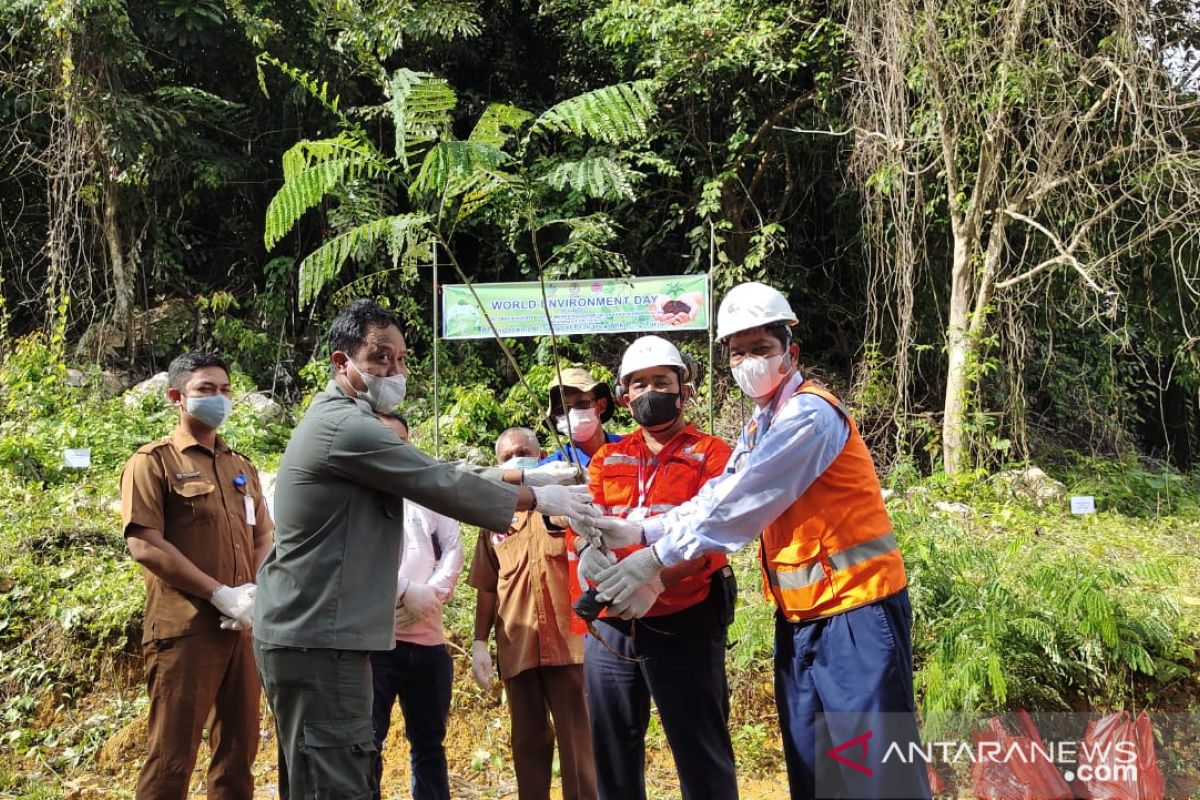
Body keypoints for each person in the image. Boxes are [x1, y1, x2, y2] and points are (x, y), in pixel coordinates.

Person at [577, 282, 930, 800]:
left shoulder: (809, 416)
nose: (749, 361)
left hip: (857, 611)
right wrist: (642, 531)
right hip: (802, 616)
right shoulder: (762, 424)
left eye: (761, 349)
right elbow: (719, 494)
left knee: (878, 776)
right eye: (737, 352)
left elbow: (746, 502)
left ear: (791, 351)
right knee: (814, 770)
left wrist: (652, 559)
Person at [254, 299, 595, 799]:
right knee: (335, 781)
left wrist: (526, 475)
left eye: (401, 358)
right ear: (340, 362)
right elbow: (435, 481)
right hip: (318, 639)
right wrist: (537, 495)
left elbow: (435, 472)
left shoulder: (351, 422)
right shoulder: (344, 427)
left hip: (324, 635)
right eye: (379, 358)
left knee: (326, 775)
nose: (394, 370)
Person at [571, 335, 738, 800]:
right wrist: (591, 557)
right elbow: (587, 522)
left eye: (661, 381)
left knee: (700, 750)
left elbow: (713, 540)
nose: (650, 392)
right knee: (613, 754)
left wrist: (655, 579)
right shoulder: (608, 458)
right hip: (612, 628)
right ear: (624, 399)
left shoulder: (713, 455)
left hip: (684, 620)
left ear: (684, 389)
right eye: (639, 384)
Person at [120, 351, 273, 800]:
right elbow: (145, 543)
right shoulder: (152, 463)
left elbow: (264, 537)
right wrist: (218, 593)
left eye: (225, 390)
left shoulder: (240, 466)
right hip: (185, 631)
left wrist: (253, 593)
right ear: (176, 397)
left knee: (239, 753)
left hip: (241, 630)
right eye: (206, 390)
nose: (218, 398)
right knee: (171, 758)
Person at [467, 427, 597, 800]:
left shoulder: (562, 506)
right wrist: (479, 642)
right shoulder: (494, 520)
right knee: (527, 743)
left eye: (523, 452)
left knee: (578, 746)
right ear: (498, 466)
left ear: (540, 458)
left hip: (569, 644)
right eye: (506, 458)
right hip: (518, 646)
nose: (515, 460)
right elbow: (488, 586)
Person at [370, 413, 462, 800]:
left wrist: (428, 598)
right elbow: (358, 557)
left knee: (429, 745)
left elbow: (453, 551)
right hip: (376, 645)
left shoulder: (429, 495)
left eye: (401, 440)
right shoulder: (360, 495)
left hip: (428, 644)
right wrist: (403, 590)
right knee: (367, 743)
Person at [539, 367, 621, 468]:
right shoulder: (552, 468)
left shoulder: (633, 448)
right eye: (562, 409)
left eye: (582, 403)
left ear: (601, 405)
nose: (573, 413)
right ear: (555, 418)